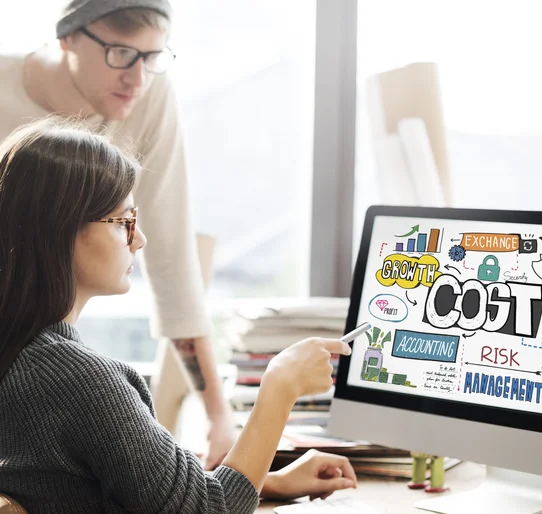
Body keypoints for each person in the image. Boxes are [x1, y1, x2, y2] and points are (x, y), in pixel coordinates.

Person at [0, 118, 357, 513]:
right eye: (124, 222)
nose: (140, 239)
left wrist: (266, 482)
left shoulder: (23, 358)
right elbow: (208, 510)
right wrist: (280, 388)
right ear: (61, 231)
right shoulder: (78, 381)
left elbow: (104, 488)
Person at [0, 0, 236, 468]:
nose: (138, 78)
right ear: (67, 37)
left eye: (153, 57)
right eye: (121, 53)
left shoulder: (149, 94)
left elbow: (170, 257)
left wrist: (217, 416)